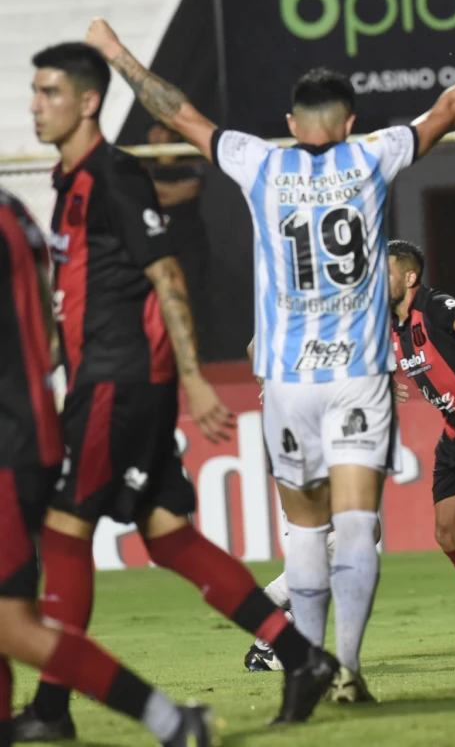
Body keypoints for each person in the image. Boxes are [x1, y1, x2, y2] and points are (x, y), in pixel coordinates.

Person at [82, 15, 455, 702]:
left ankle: (308, 666)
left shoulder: (259, 161)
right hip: (357, 374)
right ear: (350, 122)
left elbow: (179, 113)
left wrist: (117, 52)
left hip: (288, 382)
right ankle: (349, 667)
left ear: (292, 124)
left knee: (305, 530)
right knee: (357, 526)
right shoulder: (371, 156)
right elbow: (449, 107)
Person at [17, 42, 331, 742]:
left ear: (89, 101)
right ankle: (301, 654)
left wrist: (191, 375)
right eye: (34, 91)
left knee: (66, 528)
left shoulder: (115, 175)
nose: (35, 104)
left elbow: (168, 275)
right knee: (166, 535)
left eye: (49, 92)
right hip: (103, 380)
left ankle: (52, 706)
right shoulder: (69, 180)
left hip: (119, 382)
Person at [241, 240, 455, 670]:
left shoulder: (376, 311)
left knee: (367, 534)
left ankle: (272, 625)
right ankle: (270, 628)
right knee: (347, 536)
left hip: (354, 431)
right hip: (307, 434)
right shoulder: (322, 311)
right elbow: (265, 350)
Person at [0, 186, 211, 746]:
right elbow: (45, 324)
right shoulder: (14, 212)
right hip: (28, 426)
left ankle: (170, 720)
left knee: (10, 624)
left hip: (7, 446)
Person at [143, 123, 210, 349]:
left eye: (162, 130)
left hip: (188, 242)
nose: (157, 135)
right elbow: (142, 195)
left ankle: (196, 350)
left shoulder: (188, 162)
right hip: (157, 243)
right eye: (153, 130)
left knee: (192, 294)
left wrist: (155, 190)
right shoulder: (143, 164)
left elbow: (186, 191)